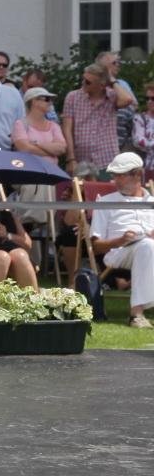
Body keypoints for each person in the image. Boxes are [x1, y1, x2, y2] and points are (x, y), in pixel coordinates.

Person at [89, 152, 154, 328]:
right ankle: (136, 315)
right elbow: (96, 247)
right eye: (114, 175)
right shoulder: (105, 202)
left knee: (148, 245)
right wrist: (120, 240)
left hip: (148, 249)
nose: (116, 180)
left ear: (137, 174)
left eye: (121, 175)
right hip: (118, 253)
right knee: (147, 246)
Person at [63, 64, 129, 177]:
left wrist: (112, 81)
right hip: (82, 160)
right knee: (81, 189)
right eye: (83, 79)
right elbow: (67, 129)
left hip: (107, 160)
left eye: (88, 82)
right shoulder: (72, 97)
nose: (83, 83)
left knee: (108, 188)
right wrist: (71, 158)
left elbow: (127, 99)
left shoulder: (112, 96)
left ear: (101, 85)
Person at [11, 86, 67, 159]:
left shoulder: (54, 126)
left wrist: (36, 143)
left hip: (51, 167)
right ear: (34, 101)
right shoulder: (20, 124)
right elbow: (25, 148)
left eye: (51, 100)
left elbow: (62, 148)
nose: (50, 102)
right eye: (47, 99)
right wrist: (52, 152)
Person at [132, 84, 154, 172]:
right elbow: (139, 141)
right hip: (149, 167)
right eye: (147, 98)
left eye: (153, 98)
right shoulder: (140, 118)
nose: (149, 101)